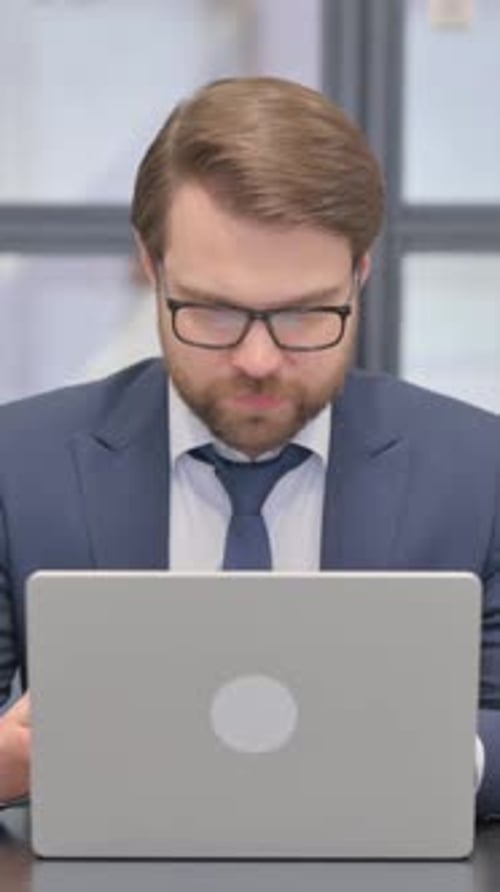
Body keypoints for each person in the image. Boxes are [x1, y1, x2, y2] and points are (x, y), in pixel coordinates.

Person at [0, 76, 499, 816]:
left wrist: (428, 752)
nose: (259, 360)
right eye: (213, 311)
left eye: (304, 315)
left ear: (360, 273)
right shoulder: (18, 463)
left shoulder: (478, 470)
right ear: (150, 265)